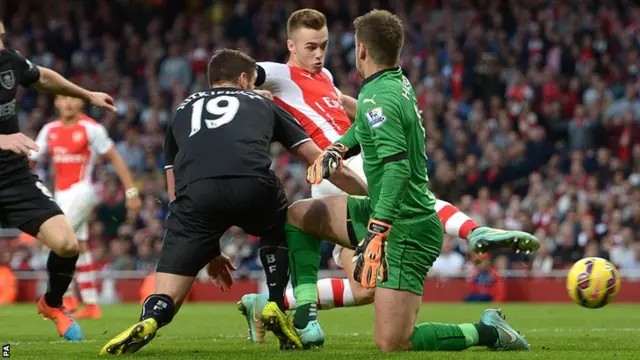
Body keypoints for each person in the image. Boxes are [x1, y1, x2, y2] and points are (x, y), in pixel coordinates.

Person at [239, 8, 539, 343]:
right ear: (291, 46)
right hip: (336, 170)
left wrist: (372, 113)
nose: (320, 53)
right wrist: (249, 95)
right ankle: (302, 315)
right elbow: (241, 70)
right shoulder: (288, 75)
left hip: (375, 190)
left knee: (371, 300)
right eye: (311, 46)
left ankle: (268, 304)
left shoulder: (355, 88)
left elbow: (367, 122)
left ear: (362, 50)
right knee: (302, 215)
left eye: (324, 45)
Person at [99, 48, 366, 356]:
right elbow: (318, 161)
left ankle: (151, 318)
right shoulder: (263, 102)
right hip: (253, 187)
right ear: (243, 79)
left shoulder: (181, 111)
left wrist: (208, 248)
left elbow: (175, 192)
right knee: (284, 219)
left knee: (168, 292)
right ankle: (275, 302)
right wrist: (364, 194)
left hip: (196, 198)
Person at [0, 21, 116, 341]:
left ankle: (52, 303)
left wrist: (86, 94)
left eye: (1, 37)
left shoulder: (8, 60)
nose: (0, 44)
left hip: (11, 175)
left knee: (67, 243)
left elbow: (43, 77)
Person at [30, 95, 142, 319]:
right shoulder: (49, 129)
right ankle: (90, 303)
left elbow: (115, 159)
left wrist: (131, 192)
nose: (68, 103)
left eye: (73, 99)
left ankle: (66, 297)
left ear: (82, 103)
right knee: (78, 245)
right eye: (63, 99)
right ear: (56, 103)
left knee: (58, 240)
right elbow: (31, 159)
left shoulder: (91, 128)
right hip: (60, 195)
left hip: (83, 191)